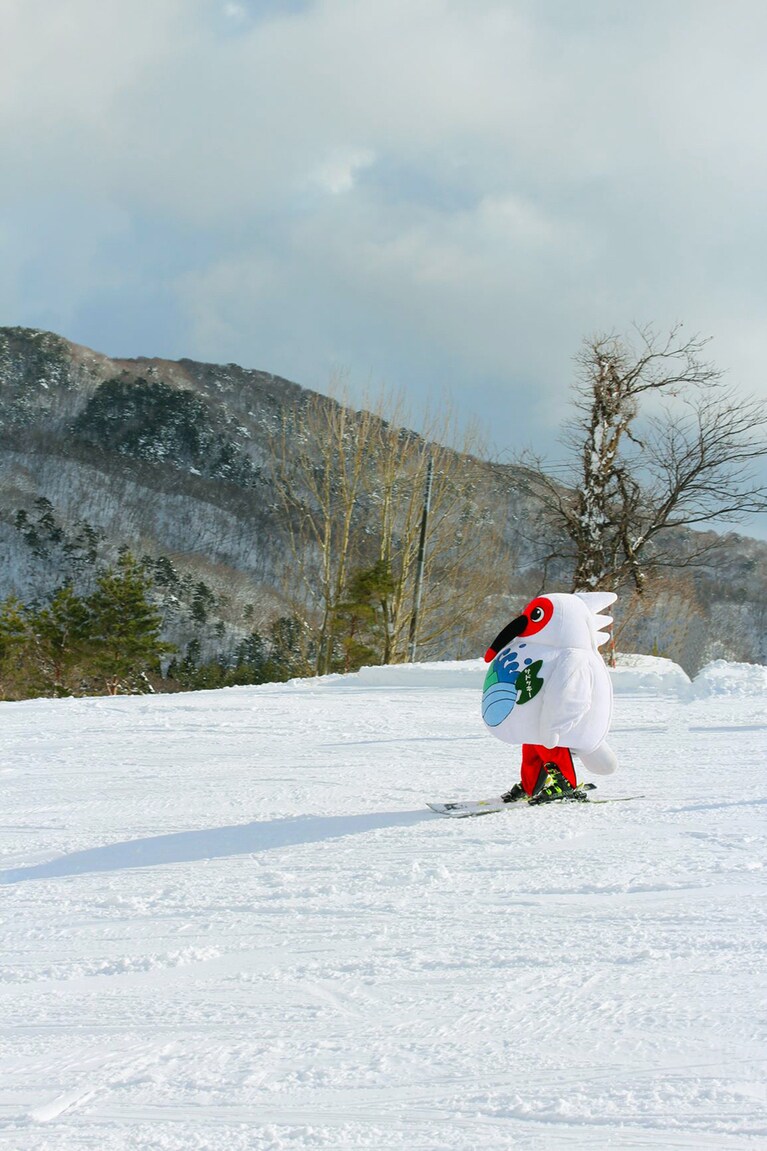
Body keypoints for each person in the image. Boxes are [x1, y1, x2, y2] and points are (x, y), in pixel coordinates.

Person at [481, 591, 618, 803]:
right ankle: (530, 784)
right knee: (532, 744)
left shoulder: (573, 657)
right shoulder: (537, 647)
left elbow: (572, 694)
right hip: (544, 725)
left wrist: (555, 725)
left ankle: (566, 783)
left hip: (562, 725)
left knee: (549, 744)